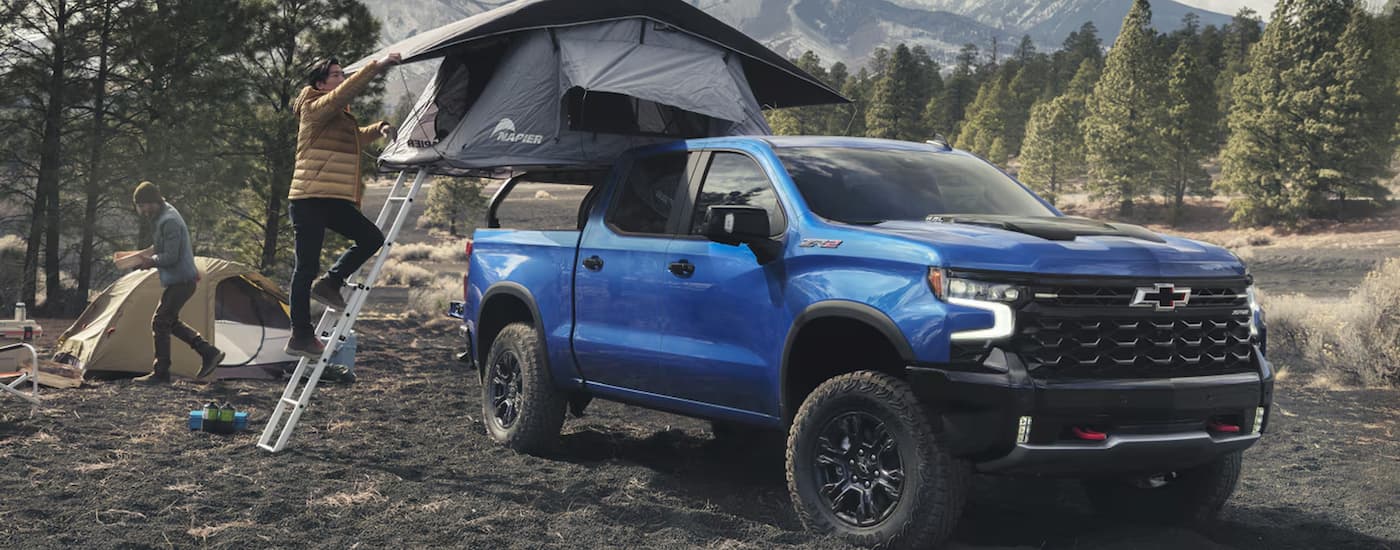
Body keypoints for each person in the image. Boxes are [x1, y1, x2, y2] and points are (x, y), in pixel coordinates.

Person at [285, 52, 402, 358]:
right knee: (305, 267)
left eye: (341, 73)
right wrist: (377, 66)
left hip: (331, 199)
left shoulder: (336, 117)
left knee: (371, 238)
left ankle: (332, 281)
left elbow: (355, 139)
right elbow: (343, 95)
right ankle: (300, 336)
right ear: (321, 83)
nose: (342, 78)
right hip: (309, 198)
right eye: (336, 75)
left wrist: (380, 128)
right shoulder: (314, 108)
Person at [130, 181, 224, 384]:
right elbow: (161, 245)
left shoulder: (169, 220)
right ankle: (209, 352)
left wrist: (150, 262)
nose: (143, 211)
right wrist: (139, 255)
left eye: (143, 206)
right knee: (169, 321)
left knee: (160, 321)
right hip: (179, 280)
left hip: (183, 280)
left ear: (151, 201)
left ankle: (161, 373)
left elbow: (171, 256)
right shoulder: (163, 215)